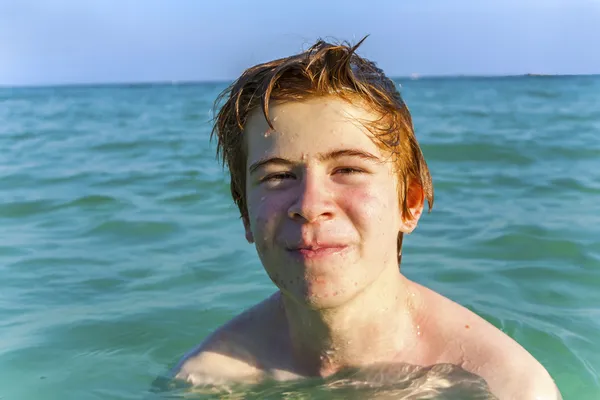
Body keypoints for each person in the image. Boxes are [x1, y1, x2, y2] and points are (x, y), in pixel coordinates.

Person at [172, 37, 561, 399]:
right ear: (245, 214)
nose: (309, 205)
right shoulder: (207, 381)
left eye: (348, 170)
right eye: (277, 176)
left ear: (409, 203)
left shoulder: (503, 385)